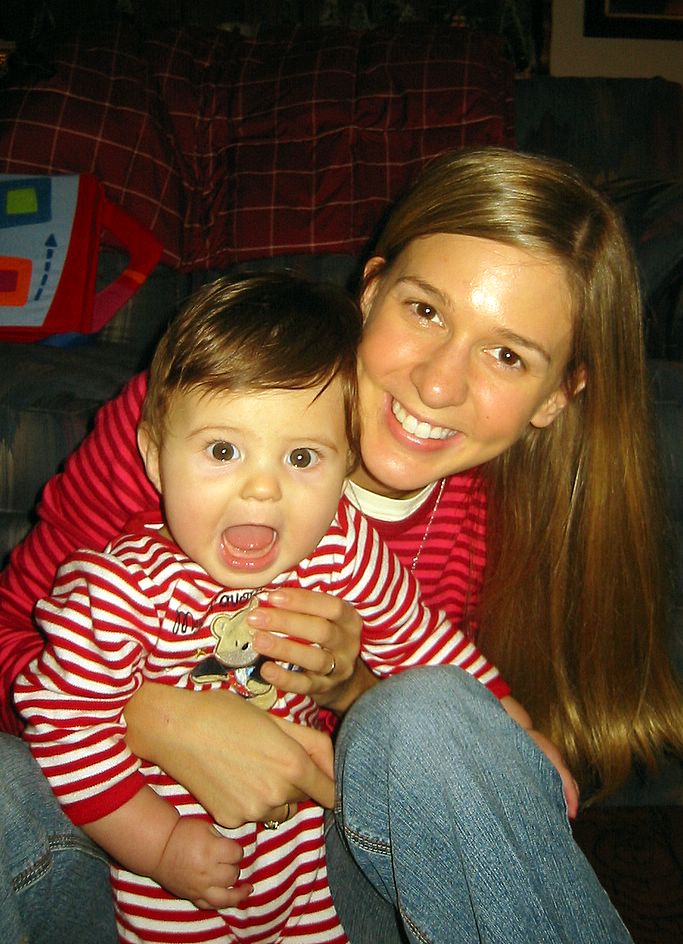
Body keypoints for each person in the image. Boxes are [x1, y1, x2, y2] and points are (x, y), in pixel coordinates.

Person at [1, 146, 680, 942]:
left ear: (557, 395)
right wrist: (151, 718)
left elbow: (428, 697)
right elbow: (15, 636)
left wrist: (353, 690)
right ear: (372, 290)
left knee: (430, 711)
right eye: (424, 311)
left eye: (506, 355)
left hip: (321, 869)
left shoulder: (499, 522)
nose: (437, 383)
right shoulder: (191, 419)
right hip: (121, 835)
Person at [14, 273, 518, 943]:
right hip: (174, 887)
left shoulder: (340, 549)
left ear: (345, 468)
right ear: (155, 458)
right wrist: (161, 845)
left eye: (302, 457)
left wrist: (505, 718)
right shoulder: (116, 592)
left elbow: (419, 639)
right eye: (223, 451)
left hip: (303, 870)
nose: (261, 488)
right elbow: (64, 725)